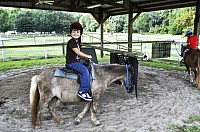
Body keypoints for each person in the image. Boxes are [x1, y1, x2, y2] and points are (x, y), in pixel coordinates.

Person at [66, 22, 92, 101]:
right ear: (71, 32)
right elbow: (78, 52)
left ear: (80, 33)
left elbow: (79, 56)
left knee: (88, 67)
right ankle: (83, 91)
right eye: (74, 31)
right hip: (72, 62)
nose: (75, 33)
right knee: (84, 71)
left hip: (76, 61)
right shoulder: (71, 42)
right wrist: (88, 56)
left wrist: (85, 59)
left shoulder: (77, 43)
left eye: (78, 32)